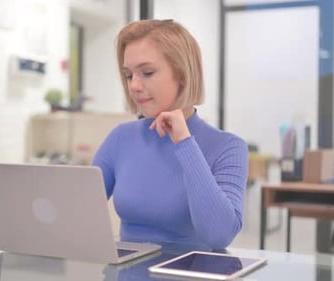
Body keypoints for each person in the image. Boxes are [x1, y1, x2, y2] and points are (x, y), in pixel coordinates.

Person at [92, 19, 248, 250]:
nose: (134, 85)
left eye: (147, 72)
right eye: (128, 75)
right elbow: (78, 212)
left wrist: (185, 143)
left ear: (182, 75)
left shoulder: (228, 147)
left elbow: (219, 235)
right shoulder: (120, 138)